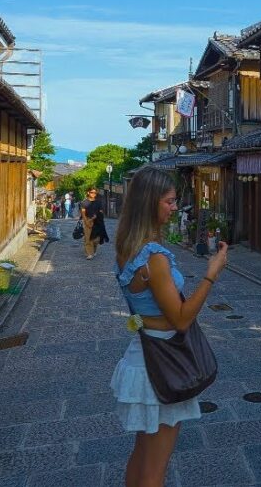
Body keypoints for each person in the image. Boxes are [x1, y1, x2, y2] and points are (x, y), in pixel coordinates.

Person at [110, 167, 227, 487]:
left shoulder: (125, 248)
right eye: (169, 201)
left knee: (141, 455)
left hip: (143, 354)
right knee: (155, 471)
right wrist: (211, 273)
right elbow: (181, 318)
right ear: (150, 203)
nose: (175, 207)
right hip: (163, 365)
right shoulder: (155, 258)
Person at [82, 187, 109, 259]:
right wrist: (86, 221)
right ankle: (89, 254)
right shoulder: (84, 202)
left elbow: (101, 211)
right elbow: (83, 213)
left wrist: (99, 216)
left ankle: (93, 250)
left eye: (95, 193)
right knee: (88, 238)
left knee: (96, 240)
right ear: (88, 192)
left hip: (97, 221)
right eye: (92, 192)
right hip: (88, 220)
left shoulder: (98, 202)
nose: (93, 194)